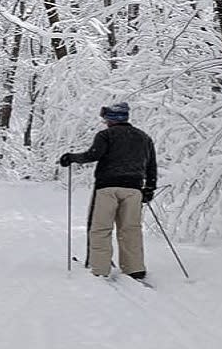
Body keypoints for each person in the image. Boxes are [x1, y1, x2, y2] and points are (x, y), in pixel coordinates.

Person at [59, 102, 158, 280]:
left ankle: (100, 267)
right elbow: (151, 166)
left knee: (101, 228)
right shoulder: (144, 138)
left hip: (107, 188)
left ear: (110, 119)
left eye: (105, 118)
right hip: (134, 189)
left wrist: (71, 157)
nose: (104, 121)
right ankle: (134, 268)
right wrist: (149, 188)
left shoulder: (106, 135)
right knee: (131, 229)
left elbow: (93, 155)